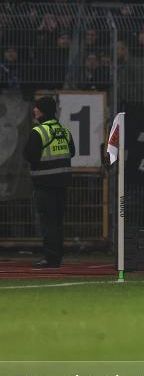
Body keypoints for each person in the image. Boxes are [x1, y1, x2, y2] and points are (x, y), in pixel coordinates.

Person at [23, 96, 74, 268]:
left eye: (37, 108)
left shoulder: (39, 132)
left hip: (45, 185)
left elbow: (29, 156)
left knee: (48, 223)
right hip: (62, 184)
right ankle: (57, 256)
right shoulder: (64, 131)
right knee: (57, 222)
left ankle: (50, 259)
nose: (34, 110)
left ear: (43, 110)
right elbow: (71, 152)